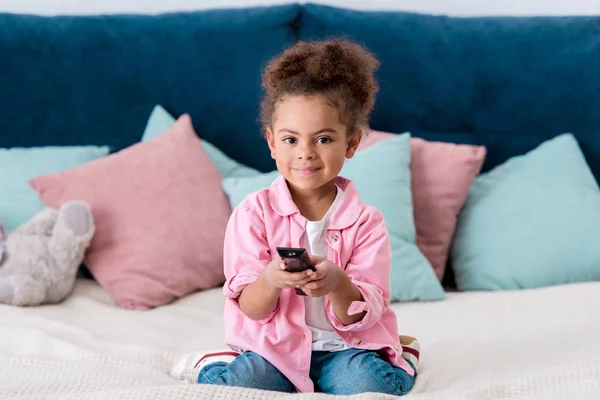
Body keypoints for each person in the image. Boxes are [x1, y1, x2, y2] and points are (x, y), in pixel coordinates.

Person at [171, 39, 420, 395]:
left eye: (322, 139)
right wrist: (270, 280)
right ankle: (214, 362)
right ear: (271, 142)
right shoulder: (253, 214)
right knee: (244, 384)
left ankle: (403, 354)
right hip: (274, 350)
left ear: (351, 143)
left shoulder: (367, 222)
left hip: (346, 349)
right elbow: (252, 309)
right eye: (290, 140)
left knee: (371, 385)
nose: (305, 154)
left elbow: (359, 313)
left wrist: (337, 283)